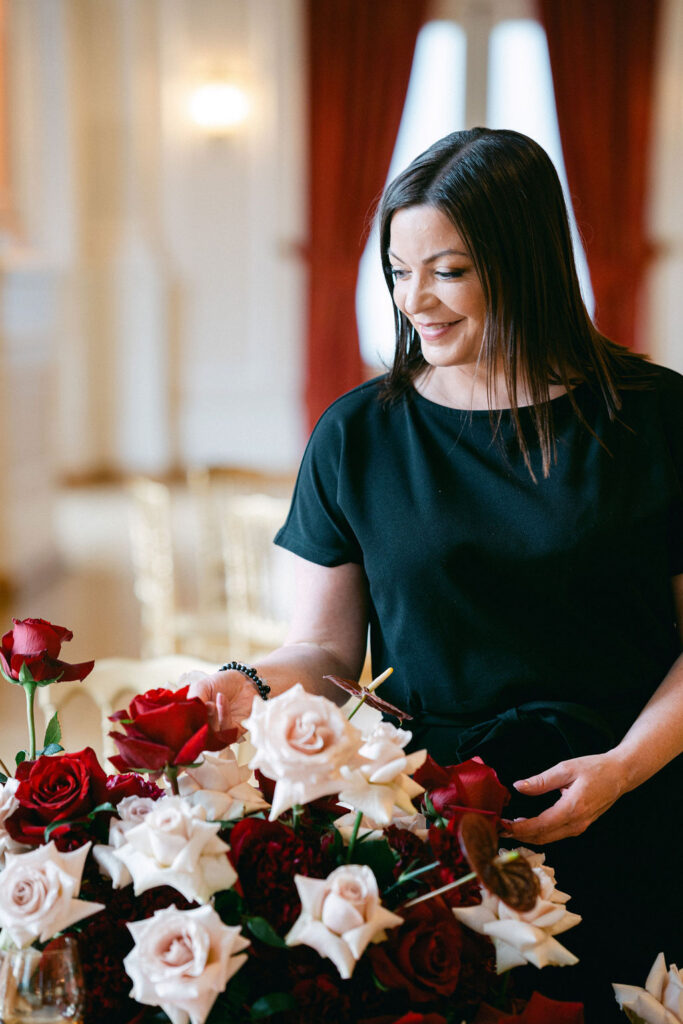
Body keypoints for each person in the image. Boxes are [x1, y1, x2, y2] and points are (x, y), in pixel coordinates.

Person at [189, 128, 683, 1021]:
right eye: (396, 270)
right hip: (435, 824)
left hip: (635, 801)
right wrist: (243, 682)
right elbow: (325, 649)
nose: (414, 300)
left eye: (447, 271)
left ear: (525, 262)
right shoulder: (358, 433)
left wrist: (621, 766)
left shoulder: (659, 419)